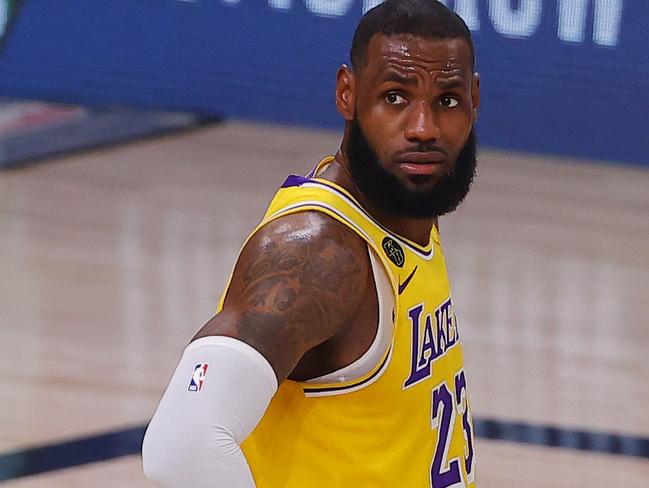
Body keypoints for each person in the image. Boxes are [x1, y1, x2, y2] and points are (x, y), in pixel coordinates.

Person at [142, 0, 481, 486]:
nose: (423, 128)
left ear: (474, 97)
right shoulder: (318, 253)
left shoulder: (402, 207)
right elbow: (180, 448)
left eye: (446, 100)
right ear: (347, 93)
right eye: (395, 98)